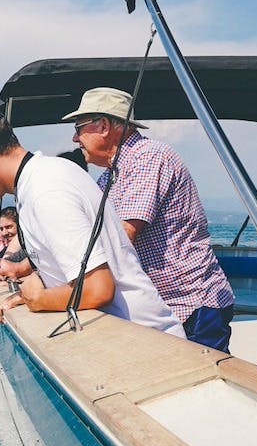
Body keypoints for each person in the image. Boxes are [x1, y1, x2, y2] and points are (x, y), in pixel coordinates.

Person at [0, 98, 185, 337]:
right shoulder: (37, 182)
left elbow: (98, 288)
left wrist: (38, 299)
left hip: (147, 340)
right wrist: (30, 284)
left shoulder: (46, 190)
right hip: (129, 336)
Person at [65, 87, 236, 352]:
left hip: (192, 304)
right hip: (162, 305)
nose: (75, 138)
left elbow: (122, 235)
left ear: (104, 126)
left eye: (79, 127)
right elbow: (89, 233)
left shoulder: (149, 157)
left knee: (202, 383)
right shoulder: (107, 177)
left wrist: (61, 289)